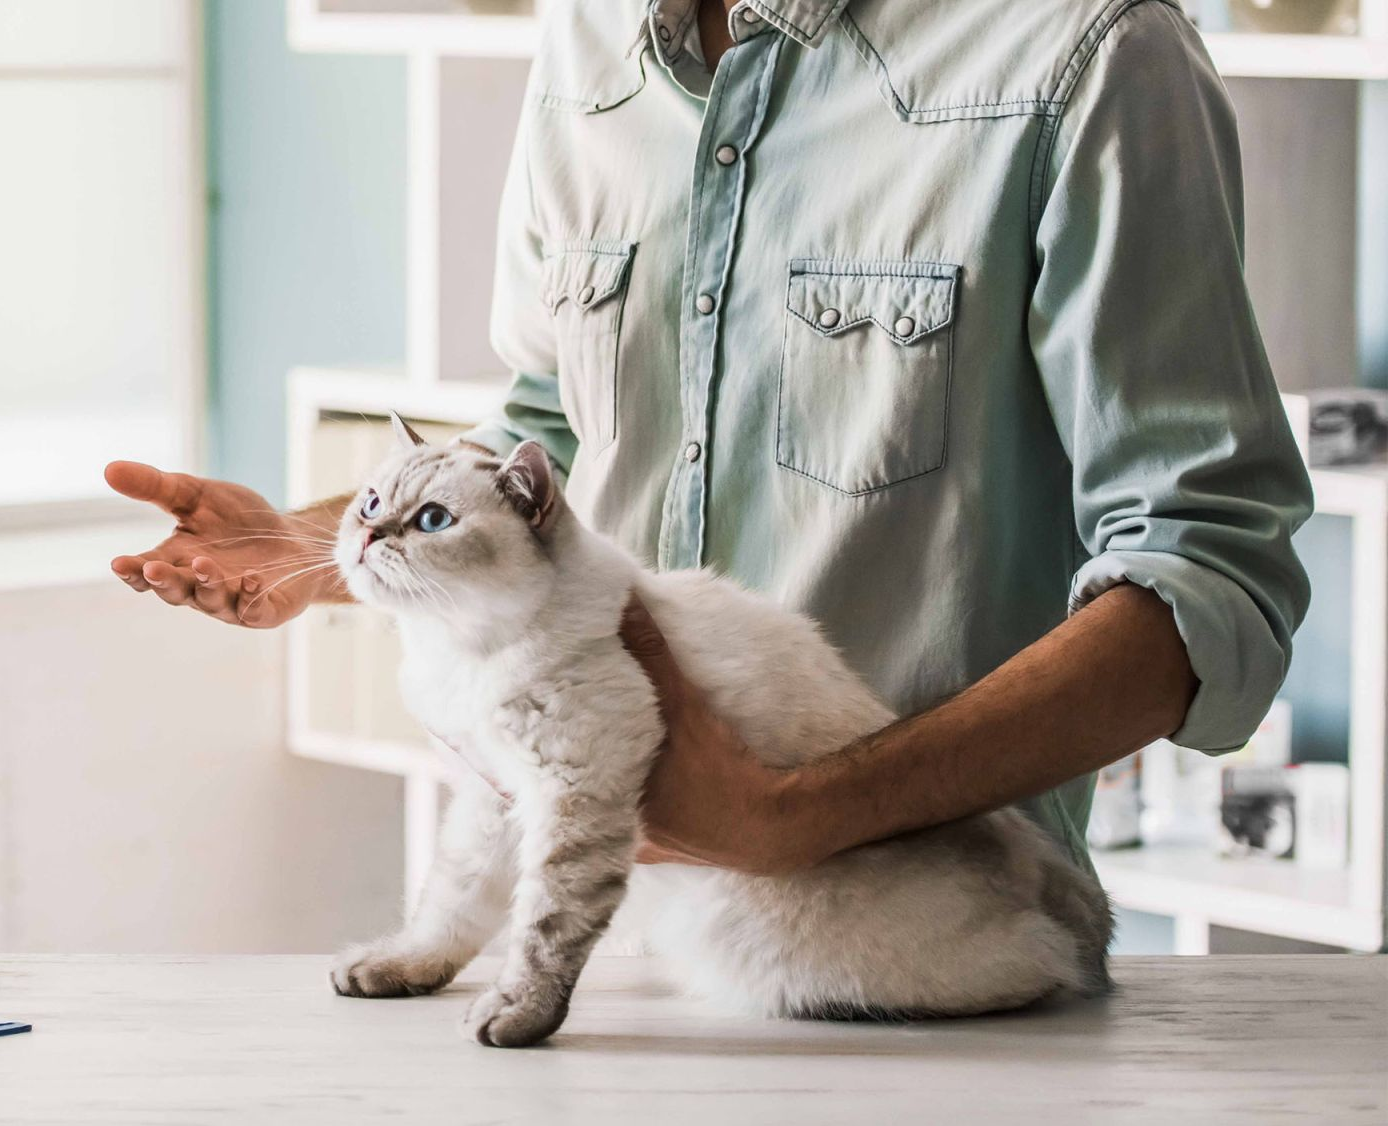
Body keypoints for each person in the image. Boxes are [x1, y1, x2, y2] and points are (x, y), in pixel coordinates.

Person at [108, 0, 1311, 879]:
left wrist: (794, 812)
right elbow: (552, 431)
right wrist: (313, 546)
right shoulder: (580, 44)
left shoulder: (1088, 54)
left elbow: (1207, 579)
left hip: (924, 965)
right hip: (592, 937)